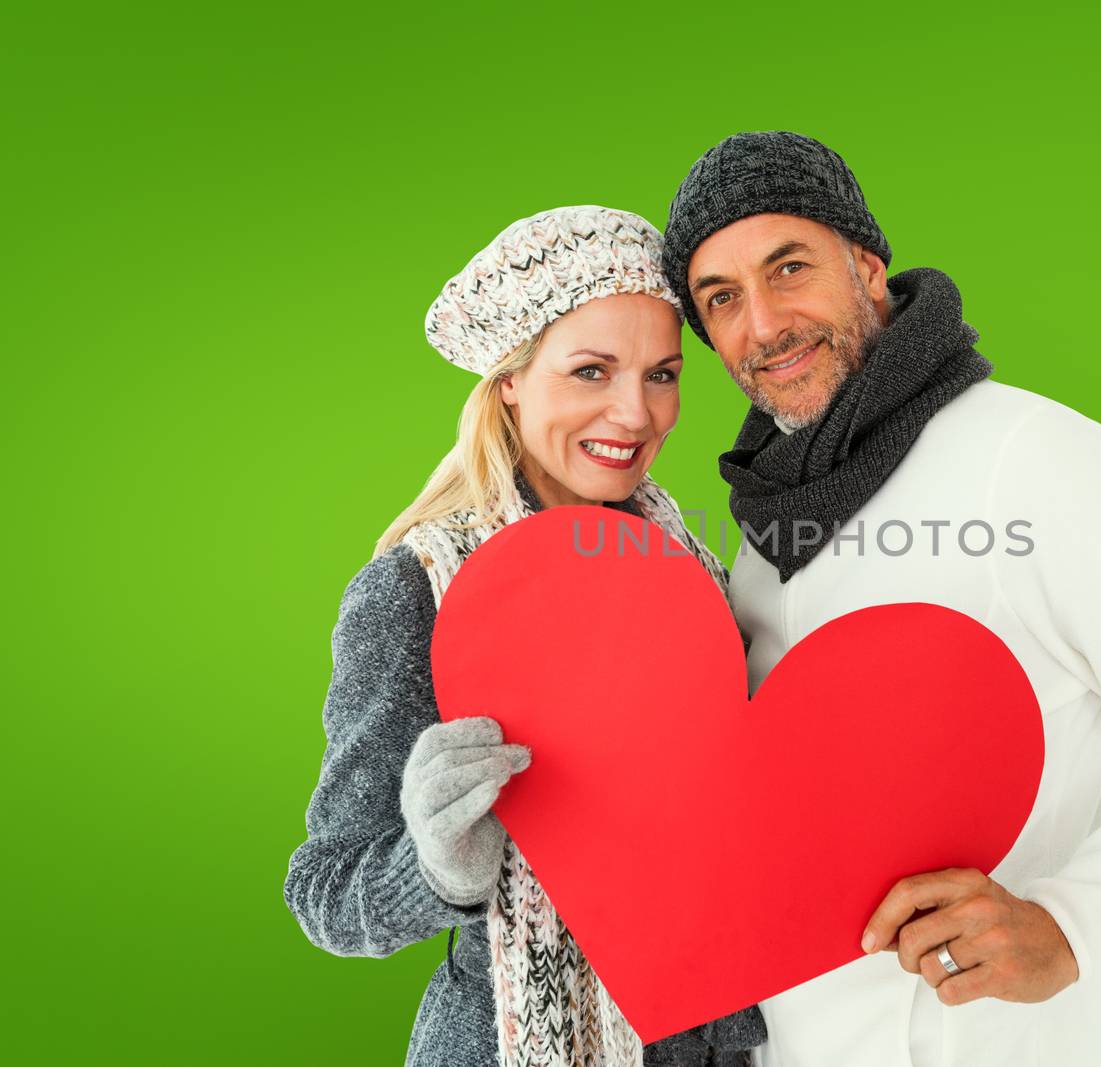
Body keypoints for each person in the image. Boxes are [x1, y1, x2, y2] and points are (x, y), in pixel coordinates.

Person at [660, 132, 1101, 1066]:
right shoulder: (762, 529)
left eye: (789, 267)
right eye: (721, 299)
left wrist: (1071, 922)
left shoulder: (1033, 462)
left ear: (868, 270)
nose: (762, 325)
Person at [283, 206, 766, 1067]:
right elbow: (326, 894)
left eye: (663, 374)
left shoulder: (695, 567)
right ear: (510, 379)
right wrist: (438, 864)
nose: (637, 412)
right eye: (590, 371)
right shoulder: (417, 592)